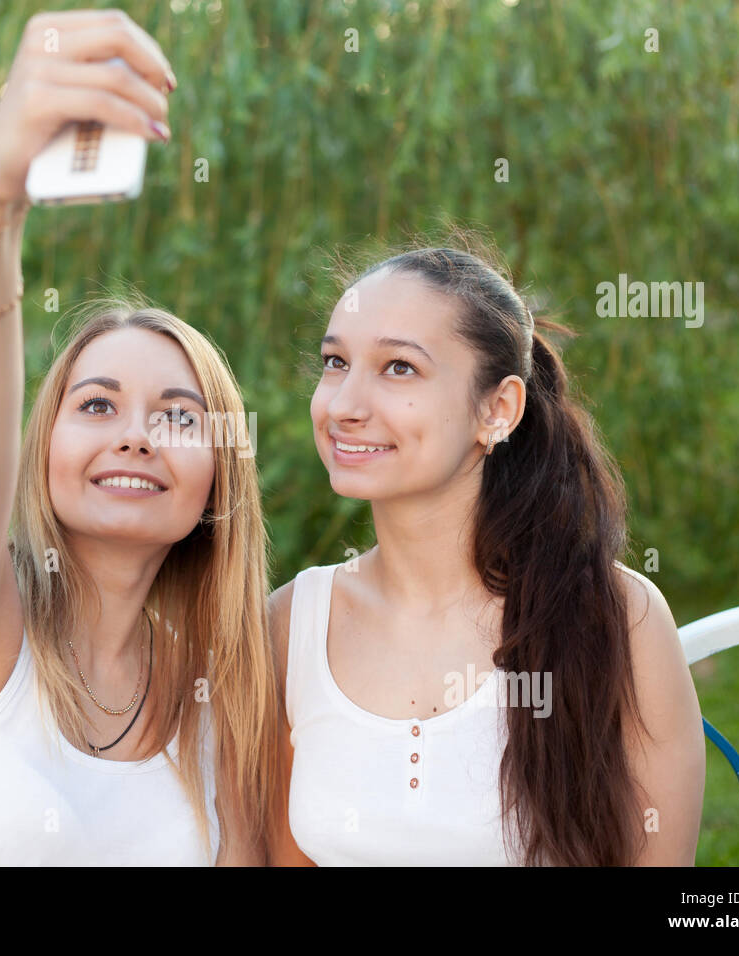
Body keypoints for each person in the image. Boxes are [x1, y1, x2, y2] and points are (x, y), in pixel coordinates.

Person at [0, 8, 277, 865]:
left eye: (177, 415)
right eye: (95, 405)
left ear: (217, 479)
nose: (135, 436)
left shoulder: (218, 700)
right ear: (41, 448)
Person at [267, 237, 706, 865]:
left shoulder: (617, 617)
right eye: (335, 362)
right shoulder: (291, 623)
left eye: (399, 368)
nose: (343, 405)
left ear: (497, 409)